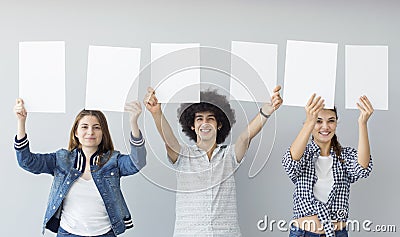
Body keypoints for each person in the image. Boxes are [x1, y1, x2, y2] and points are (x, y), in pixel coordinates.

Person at [144, 86, 282, 236]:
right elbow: (169, 141)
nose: (205, 123)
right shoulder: (183, 155)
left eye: (210, 118)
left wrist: (266, 111)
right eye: (199, 119)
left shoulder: (229, 155)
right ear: (192, 125)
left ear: (219, 124)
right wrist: (156, 113)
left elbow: (245, 137)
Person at [13, 98, 147, 237]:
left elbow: (137, 162)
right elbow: (27, 162)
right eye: (84, 127)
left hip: (105, 233)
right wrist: (21, 122)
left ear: (103, 133)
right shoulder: (61, 159)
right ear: (76, 132)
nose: (90, 132)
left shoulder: (113, 161)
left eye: (96, 127)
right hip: (68, 233)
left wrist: (133, 123)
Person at [282, 94, 374, 237]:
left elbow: (363, 169)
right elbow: (290, 163)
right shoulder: (304, 154)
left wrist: (362, 123)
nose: (325, 127)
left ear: (336, 123)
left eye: (331, 121)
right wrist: (309, 122)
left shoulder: (344, 156)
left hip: (338, 233)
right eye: (318, 121)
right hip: (303, 233)